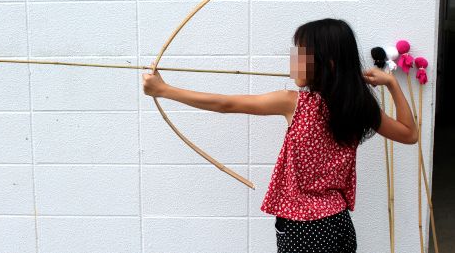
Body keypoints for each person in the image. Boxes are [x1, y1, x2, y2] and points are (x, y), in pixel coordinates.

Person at [142, 18, 418, 253]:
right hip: (339, 225)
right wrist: (391, 84)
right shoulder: (360, 106)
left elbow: (225, 104)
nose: (293, 60)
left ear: (328, 63)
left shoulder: (295, 103)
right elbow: (409, 134)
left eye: (301, 55)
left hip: (302, 230)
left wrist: (164, 90)